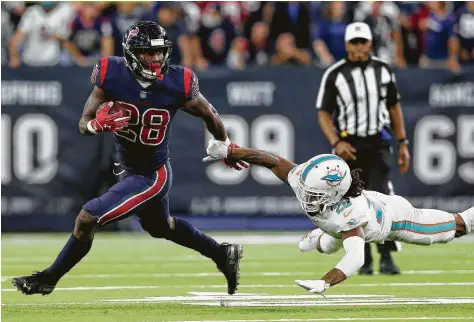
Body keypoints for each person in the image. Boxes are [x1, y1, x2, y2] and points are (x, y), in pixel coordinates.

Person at [11, 21, 245, 296]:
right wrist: (94, 126)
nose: (155, 58)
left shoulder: (178, 81)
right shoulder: (112, 73)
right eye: (147, 52)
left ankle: (47, 279)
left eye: (159, 52)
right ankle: (222, 254)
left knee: (87, 218)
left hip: (151, 175)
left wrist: (225, 145)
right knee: (161, 227)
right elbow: (83, 122)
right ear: (131, 53)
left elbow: (209, 113)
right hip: (129, 169)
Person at [203, 139, 474, 294]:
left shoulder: (349, 212)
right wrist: (229, 151)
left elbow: (356, 257)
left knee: (457, 226)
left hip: (397, 219)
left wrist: (325, 281)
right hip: (342, 223)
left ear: (334, 194)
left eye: (314, 194)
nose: (307, 197)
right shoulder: (304, 179)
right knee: (323, 241)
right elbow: (269, 159)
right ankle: (321, 237)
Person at [316, 22, 410, 275]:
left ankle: (387, 256)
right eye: (354, 42)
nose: (359, 47)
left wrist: (403, 143)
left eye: (363, 42)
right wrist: (337, 142)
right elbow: (323, 112)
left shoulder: (383, 70)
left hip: (377, 143)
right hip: (350, 146)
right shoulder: (335, 74)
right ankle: (365, 257)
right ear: (347, 44)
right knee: (353, 203)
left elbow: (394, 108)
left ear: (370, 43)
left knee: (382, 198)